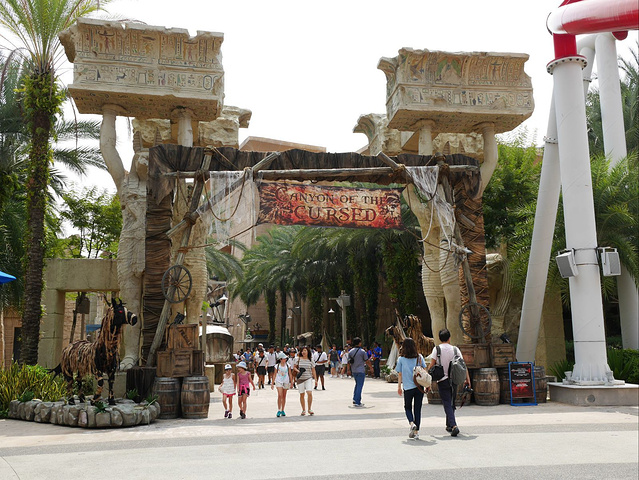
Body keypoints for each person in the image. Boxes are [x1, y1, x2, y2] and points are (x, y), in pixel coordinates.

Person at [428, 328, 471, 437]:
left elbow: (431, 365)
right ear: (449, 338)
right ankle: (449, 425)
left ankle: (454, 425)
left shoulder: (437, 349)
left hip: (442, 380)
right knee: (451, 402)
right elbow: (463, 365)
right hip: (454, 380)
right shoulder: (455, 349)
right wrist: (468, 380)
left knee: (447, 403)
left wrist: (427, 378)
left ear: (439, 338)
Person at [396, 338, 427, 439]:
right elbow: (425, 371)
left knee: (408, 407)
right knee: (417, 409)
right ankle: (416, 432)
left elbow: (400, 374)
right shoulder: (419, 357)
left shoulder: (401, 359)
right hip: (419, 387)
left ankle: (412, 423)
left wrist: (399, 387)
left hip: (408, 388)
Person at [292, 345, 317, 415]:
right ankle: (303, 409)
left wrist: (315, 379)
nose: (303, 352)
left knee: (309, 392)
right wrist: (298, 371)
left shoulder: (311, 360)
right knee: (302, 394)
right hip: (300, 379)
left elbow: (313, 370)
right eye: (302, 351)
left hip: (308, 378)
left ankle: (309, 408)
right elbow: (294, 367)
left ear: (308, 351)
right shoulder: (298, 359)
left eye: (305, 350)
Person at [349, 337, 372, 407]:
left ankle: (355, 398)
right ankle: (357, 401)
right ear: (359, 343)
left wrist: (348, 370)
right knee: (359, 386)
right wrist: (371, 368)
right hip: (360, 370)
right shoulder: (362, 352)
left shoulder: (351, 351)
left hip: (354, 370)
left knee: (357, 384)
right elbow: (367, 360)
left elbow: (348, 362)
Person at [272, 352, 292, 417]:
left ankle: (282, 409)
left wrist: (291, 382)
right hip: (279, 381)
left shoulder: (288, 365)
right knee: (280, 395)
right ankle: (279, 409)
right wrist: (272, 383)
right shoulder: (277, 366)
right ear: (280, 359)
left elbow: (290, 374)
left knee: (284, 396)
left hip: (286, 381)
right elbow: (274, 374)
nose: (284, 360)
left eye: (285, 358)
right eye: (283, 358)